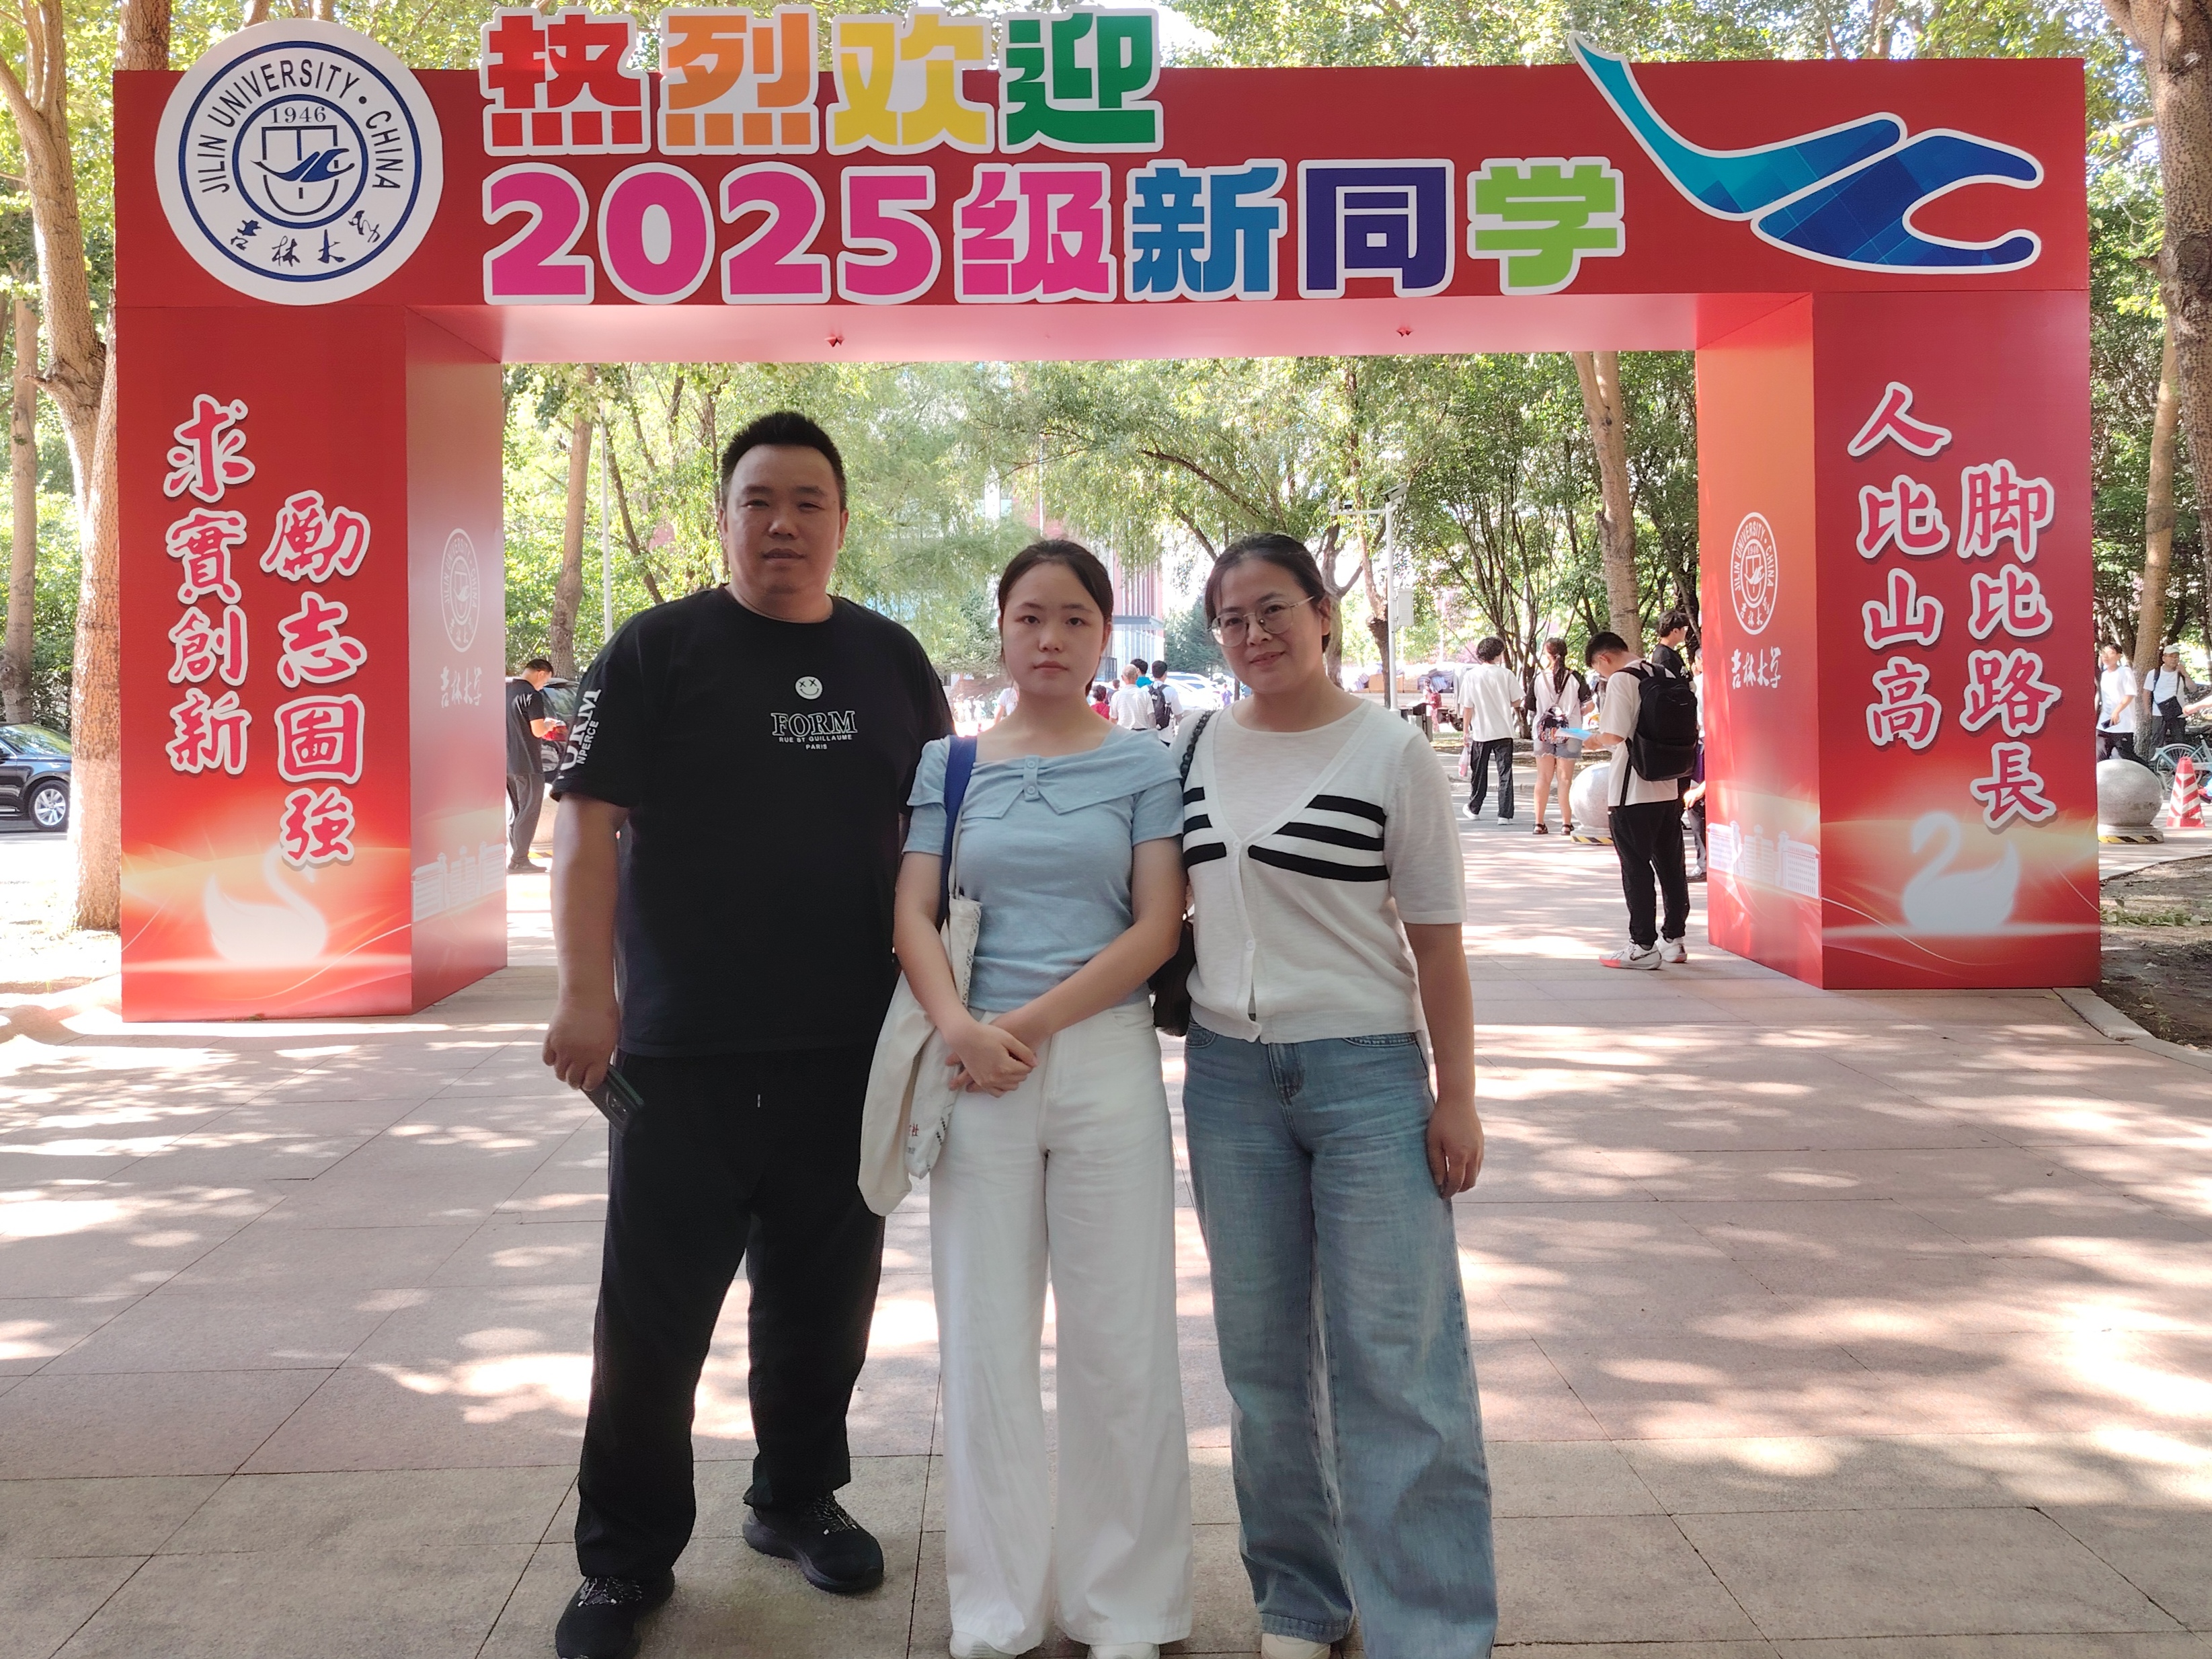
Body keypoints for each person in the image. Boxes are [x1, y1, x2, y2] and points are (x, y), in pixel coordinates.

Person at [541, 412, 951, 1659]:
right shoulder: (656, 648)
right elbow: (586, 826)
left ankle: (796, 1497)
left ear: (842, 520)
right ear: (723, 518)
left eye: (808, 501)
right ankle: (623, 1560)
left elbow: (938, 841)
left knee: (825, 1302)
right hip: (680, 1052)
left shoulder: (891, 659)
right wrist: (586, 992)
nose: (782, 523)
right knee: (653, 1321)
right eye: (758, 500)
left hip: (848, 1048)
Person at [1177, 533, 1496, 1659]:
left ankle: (1432, 1625)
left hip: (1367, 1078)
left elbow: (1439, 946)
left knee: (1398, 1361)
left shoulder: (1390, 750)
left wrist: (1456, 1095)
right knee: (1262, 1365)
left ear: (1323, 612)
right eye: (1231, 619)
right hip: (1227, 1080)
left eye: (1274, 608)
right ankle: (1299, 1601)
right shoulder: (1192, 744)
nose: (1253, 634)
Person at [895, 540, 1193, 1659]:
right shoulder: (950, 763)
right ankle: (998, 1608)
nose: (1051, 638)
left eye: (1075, 618)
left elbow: (1157, 925)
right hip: (974, 1067)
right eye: (1031, 616)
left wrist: (1026, 1024)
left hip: (1102, 1059)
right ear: (1002, 628)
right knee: (984, 1338)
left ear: (1104, 635)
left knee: (1123, 1337)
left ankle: (1125, 1606)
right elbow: (913, 911)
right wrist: (963, 1028)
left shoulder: (1144, 762)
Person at [1583, 632, 1691, 970]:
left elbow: (1614, 735)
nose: (1602, 676)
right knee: (1672, 867)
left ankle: (1642, 945)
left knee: (1636, 868)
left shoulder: (1622, 679)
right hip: (1669, 786)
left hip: (1632, 791)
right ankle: (1674, 940)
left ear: (1603, 658)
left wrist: (1592, 740)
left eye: (1598, 670)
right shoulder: (1667, 673)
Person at [1524, 638, 1587, 837]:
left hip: (1543, 732)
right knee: (1565, 779)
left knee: (1543, 778)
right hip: (1571, 732)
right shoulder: (1576, 677)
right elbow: (1590, 705)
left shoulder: (1538, 678)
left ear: (1548, 655)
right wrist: (1574, 714)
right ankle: (1566, 824)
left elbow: (1530, 707)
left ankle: (1539, 823)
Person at [1457, 637, 1518, 822]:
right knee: (1505, 773)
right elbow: (1517, 701)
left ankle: (1474, 809)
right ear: (1498, 654)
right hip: (1504, 731)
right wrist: (1502, 702)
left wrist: (1465, 731)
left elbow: (1468, 707)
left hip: (1481, 732)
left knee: (1479, 772)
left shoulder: (1472, 676)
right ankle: (1504, 815)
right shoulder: (1506, 675)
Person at [506, 657, 555, 874]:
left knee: (517, 811)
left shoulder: (507, 690)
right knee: (529, 810)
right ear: (541, 673)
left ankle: (517, 855)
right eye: (545, 681)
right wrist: (548, 725)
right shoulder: (532, 696)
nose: (543, 685)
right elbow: (537, 730)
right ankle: (519, 860)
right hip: (527, 761)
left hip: (507, 761)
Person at [1684, 648, 1709, 882]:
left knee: (1695, 804)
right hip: (1705, 745)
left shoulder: (1698, 684)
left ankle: (1704, 863)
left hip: (1705, 745)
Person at [2142, 645, 2197, 753]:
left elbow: (2193, 689)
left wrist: (2185, 673)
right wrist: (2147, 710)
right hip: (2159, 713)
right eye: (2171, 656)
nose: (2174, 659)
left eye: (2176, 657)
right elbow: (2146, 692)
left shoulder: (2181, 673)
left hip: (2178, 712)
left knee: (2180, 741)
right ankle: (2153, 762)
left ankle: (2179, 761)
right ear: (2164, 658)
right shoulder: (2154, 673)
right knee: (2156, 740)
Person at [2098, 644, 2140, 763]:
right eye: (2103, 653)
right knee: (2099, 756)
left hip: (2122, 723)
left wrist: (2117, 711)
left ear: (2119, 656)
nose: (2106, 656)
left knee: (2126, 757)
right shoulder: (2104, 674)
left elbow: (2130, 694)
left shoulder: (2125, 672)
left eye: (2110, 653)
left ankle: (2148, 771)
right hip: (2105, 723)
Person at [1108, 662, 1154, 734]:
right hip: (1142, 734)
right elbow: (1151, 717)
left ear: (1122, 677)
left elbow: (1113, 719)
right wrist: (1153, 733)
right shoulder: (1145, 694)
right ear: (1137, 677)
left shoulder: (1117, 696)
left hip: (1123, 734)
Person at [1651, 610, 1692, 676]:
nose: (1686, 632)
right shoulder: (1664, 657)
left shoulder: (1671, 653)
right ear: (1675, 631)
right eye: (1684, 629)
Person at [1149, 658, 1181, 741]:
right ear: (1165, 674)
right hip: (1166, 737)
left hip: (1148, 736)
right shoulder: (1171, 691)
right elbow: (1178, 714)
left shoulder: (1144, 690)